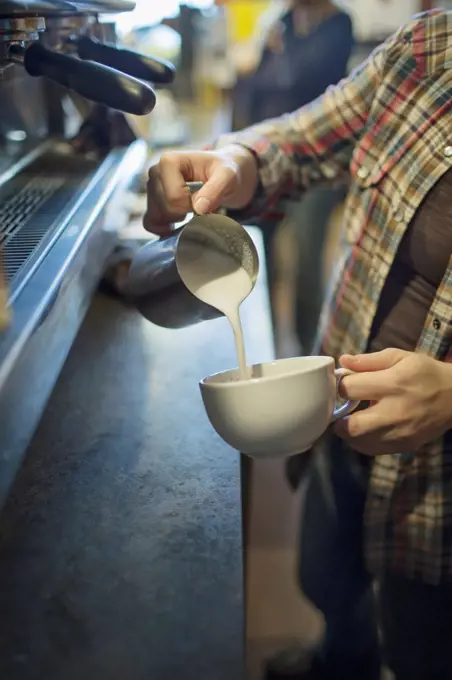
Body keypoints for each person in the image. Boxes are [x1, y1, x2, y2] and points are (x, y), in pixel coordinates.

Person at [143, 9, 452, 680]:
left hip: (440, 486)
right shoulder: (432, 47)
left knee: (424, 639)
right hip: (338, 412)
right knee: (327, 576)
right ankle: (340, 656)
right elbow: (301, 142)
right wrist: (235, 161)